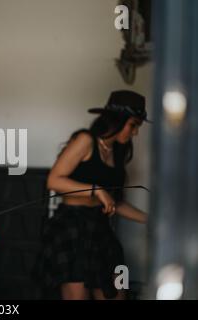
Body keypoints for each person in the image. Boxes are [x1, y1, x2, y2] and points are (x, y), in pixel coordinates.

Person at [38, 90, 148, 300]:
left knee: (117, 293)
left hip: (100, 229)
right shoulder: (85, 140)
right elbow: (53, 180)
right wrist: (97, 190)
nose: (135, 133)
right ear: (118, 120)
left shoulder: (118, 152)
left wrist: (150, 220)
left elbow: (115, 203)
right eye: (133, 125)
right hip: (72, 227)